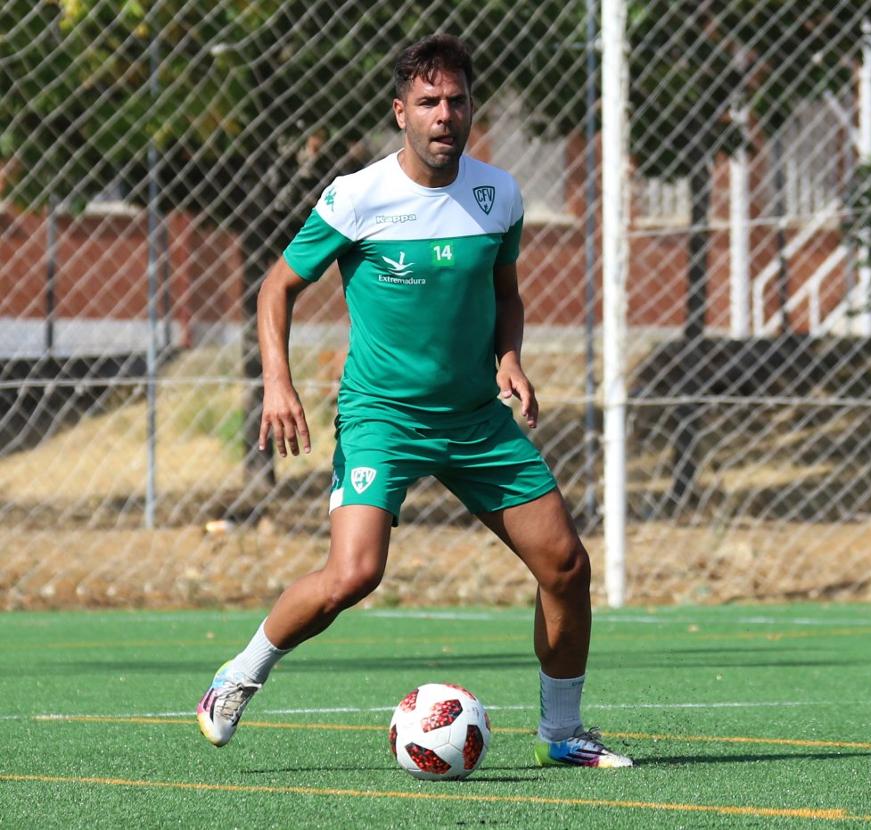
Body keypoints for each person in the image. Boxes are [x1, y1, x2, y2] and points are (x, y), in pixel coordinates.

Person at [197, 34, 632, 768]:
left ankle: (562, 734)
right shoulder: (356, 196)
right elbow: (277, 286)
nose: (444, 115)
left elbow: (505, 294)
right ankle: (236, 677)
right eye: (428, 102)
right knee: (353, 575)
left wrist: (510, 358)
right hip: (383, 418)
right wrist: (277, 381)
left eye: (457, 101)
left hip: (475, 418)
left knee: (565, 565)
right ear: (401, 112)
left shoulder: (499, 195)